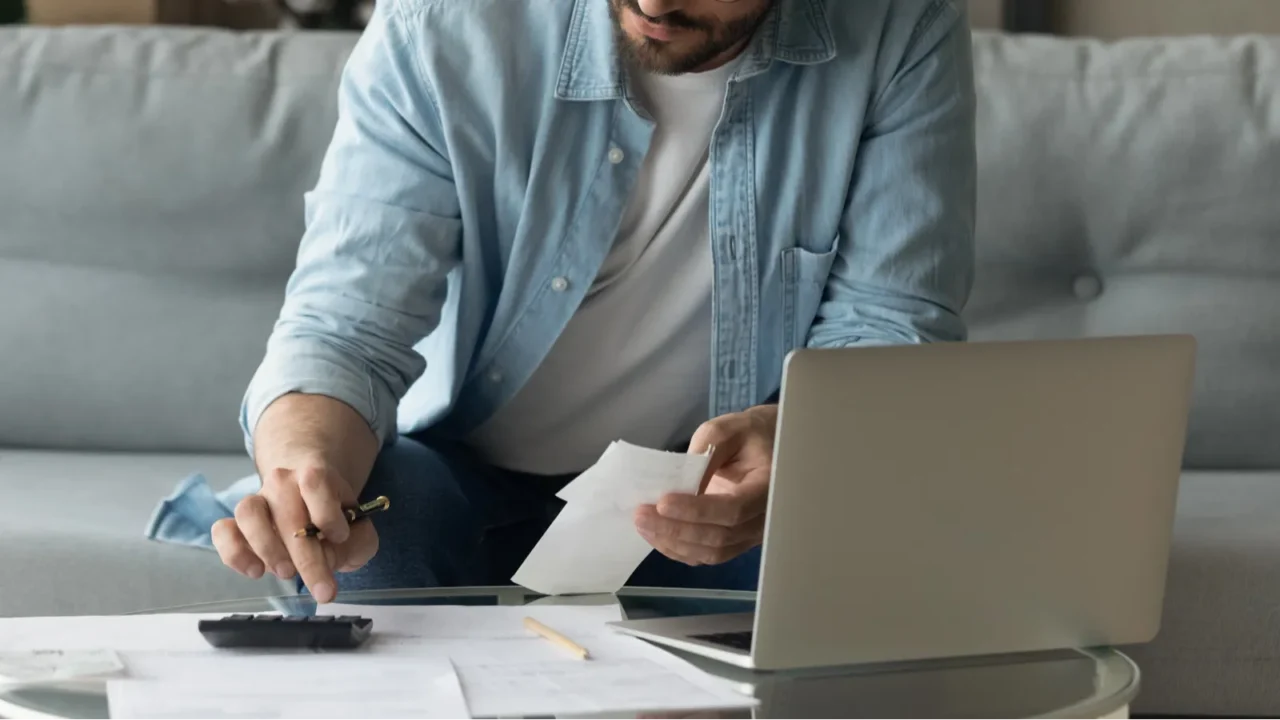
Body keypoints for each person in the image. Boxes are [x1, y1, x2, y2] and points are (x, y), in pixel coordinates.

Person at [211, 0, 977, 604]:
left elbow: (888, 326)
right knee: (369, 562)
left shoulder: (902, 26)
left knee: (887, 562)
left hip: (706, 494)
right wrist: (304, 467)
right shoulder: (442, 23)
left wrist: (798, 441)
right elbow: (348, 327)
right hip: (453, 469)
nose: (653, 3)